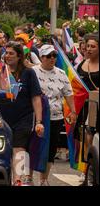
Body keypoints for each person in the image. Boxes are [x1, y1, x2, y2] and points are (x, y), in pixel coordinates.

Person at [0, 41, 44, 186]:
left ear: (19, 56)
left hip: (24, 118)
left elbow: (36, 97)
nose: (7, 56)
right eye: (6, 53)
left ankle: (18, 181)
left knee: (19, 149)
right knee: (2, 152)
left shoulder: (29, 73)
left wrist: (39, 121)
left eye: (11, 53)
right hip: (1, 118)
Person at [32, 44, 77, 186]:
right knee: (33, 147)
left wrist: (73, 111)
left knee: (50, 149)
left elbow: (68, 94)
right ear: (41, 57)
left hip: (55, 117)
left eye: (54, 56)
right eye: (48, 56)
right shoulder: (32, 72)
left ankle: (43, 179)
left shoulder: (61, 73)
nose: (52, 59)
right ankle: (27, 178)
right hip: (36, 117)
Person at [75, 33, 99, 184]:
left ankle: (93, 170)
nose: (89, 49)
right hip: (84, 107)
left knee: (94, 139)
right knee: (85, 138)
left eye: (93, 46)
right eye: (87, 46)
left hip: (97, 105)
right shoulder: (81, 64)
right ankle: (86, 171)